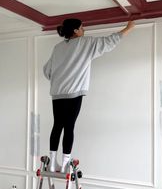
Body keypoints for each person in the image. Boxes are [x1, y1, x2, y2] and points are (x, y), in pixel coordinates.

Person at [43, 18, 135, 172]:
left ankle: (52, 163)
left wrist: (59, 80)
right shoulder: (85, 43)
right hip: (74, 93)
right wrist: (128, 28)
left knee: (57, 125)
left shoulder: (57, 48)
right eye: (82, 27)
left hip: (57, 94)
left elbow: (47, 70)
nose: (84, 30)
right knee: (69, 127)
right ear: (75, 31)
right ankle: (65, 164)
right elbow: (108, 42)